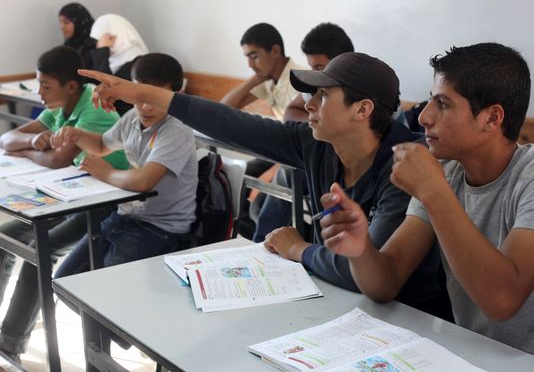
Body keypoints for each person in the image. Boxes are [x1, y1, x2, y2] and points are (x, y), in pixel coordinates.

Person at [77, 52, 444, 316]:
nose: (308, 104)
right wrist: (140, 93)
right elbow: (233, 125)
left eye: (322, 96)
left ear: (362, 110)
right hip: (338, 302)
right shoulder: (316, 143)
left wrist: (299, 248)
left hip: (407, 320)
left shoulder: (406, 166)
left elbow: (364, 273)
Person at [319, 43, 534, 353]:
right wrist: (361, 249)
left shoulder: (526, 178)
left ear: (492, 118)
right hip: (473, 353)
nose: (424, 117)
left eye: (443, 103)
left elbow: (503, 301)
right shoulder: (445, 169)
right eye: (431, 100)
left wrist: (434, 192)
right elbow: (385, 283)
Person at [0, 45, 129, 358]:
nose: (39, 93)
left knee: (38, 249)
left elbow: (59, 159)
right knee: (6, 236)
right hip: (74, 193)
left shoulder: (93, 108)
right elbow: (6, 139)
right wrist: (34, 141)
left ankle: (10, 345)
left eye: (45, 86)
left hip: (110, 201)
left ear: (70, 86)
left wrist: (31, 149)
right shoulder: (61, 105)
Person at [52, 52, 197, 279]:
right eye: (139, 95)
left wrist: (105, 172)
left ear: (176, 95)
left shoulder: (176, 129)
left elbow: (144, 182)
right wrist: (76, 134)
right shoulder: (132, 118)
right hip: (125, 216)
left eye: (156, 97)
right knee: (64, 279)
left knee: (106, 287)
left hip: (160, 228)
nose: (146, 107)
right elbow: (102, 145)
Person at [252, 22, 354, 242]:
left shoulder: (362, 86)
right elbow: (291, 112)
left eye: (319, 67)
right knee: (261, 197)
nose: (314, 74)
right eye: (311, 67)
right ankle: (267, 243)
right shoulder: (316, 86)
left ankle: (267, 243)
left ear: (341, 61)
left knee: (286, 175)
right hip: (317, 159)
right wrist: (319, 124)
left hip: (346, 167)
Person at [221, 22, 305, 237]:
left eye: (254, 56)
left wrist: (269, 176)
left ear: (275, 51)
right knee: (234, 184)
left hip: (301, 157)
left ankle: (296, 241)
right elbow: (224, 109)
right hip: (282, 150)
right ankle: (261, 243)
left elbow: (304, 142)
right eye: (247, 57)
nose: (250, 64)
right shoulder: (270, 79)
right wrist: (255, 79)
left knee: (258, 205)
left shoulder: (299, 80)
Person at [90, 14, 149, 115]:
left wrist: (102, 51)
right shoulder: (113, 60)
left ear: (118, 36)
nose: (99, 44)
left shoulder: (137, 63)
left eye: (104, 39)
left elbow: (108, 91)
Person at [58, 2, 97, 69]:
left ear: (79, 23)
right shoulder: (68, 46)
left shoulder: (93, 48)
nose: (61, 27)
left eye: (66, 22)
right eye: (60, 22)